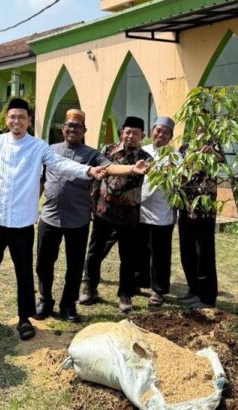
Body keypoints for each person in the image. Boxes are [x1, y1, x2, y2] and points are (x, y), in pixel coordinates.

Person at [0, 98, 107, 341]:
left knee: (23, 271)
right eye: (12, 117)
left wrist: (88, 170)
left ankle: (25, 318)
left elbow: (62, 164)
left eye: (22, 117)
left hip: (22, 221)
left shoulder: (38, 147)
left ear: (29, 121)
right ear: (7, 119)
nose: (17, 121)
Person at [34, 109, 146, 322]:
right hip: (49, 217)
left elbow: (110, 168)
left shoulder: (92, 154)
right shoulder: (49, 150)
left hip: (78, 220)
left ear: (84, 130)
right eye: (69, 125)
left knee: (74, 266)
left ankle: (68, 306)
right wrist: (33, 208)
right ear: (63, 128)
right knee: (44, 263)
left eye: (77, 127)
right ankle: (45, 301)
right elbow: (40, 179)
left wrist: (132, 168)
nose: (72, 129)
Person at [79, 116, 152, 313]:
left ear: (142, 136)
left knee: (128, 256)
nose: (131, 136)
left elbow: (132, 183)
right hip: (104, 211)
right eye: (128, 132)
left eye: (136, 133)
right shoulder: (106, 150)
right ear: (122, 133)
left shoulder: (145, 158)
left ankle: (125, 294)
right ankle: (89, 287)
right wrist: (94, 203)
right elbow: (96, 180)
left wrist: (110, 179)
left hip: (129, 213)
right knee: (94, 252)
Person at [177, 134, 221, 310]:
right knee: (187, 251)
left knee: (205, 254)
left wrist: (212, 153)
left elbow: (223, 160)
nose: (200, 130)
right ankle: (193, 289)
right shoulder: (184, 148)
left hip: (205, 212)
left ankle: (208, 297)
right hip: (185, 208)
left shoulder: (215, 148)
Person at [138, 117, 177, 307]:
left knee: (160, 252)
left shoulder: (175, 157)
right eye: (158, 130)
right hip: (140, 208)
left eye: (165, 132)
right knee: (140, 249)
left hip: (162, 211)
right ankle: (140, 281)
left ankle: (158, 290)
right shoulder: (142, 151)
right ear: (152, 131)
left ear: (171, 136)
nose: (160, 134)